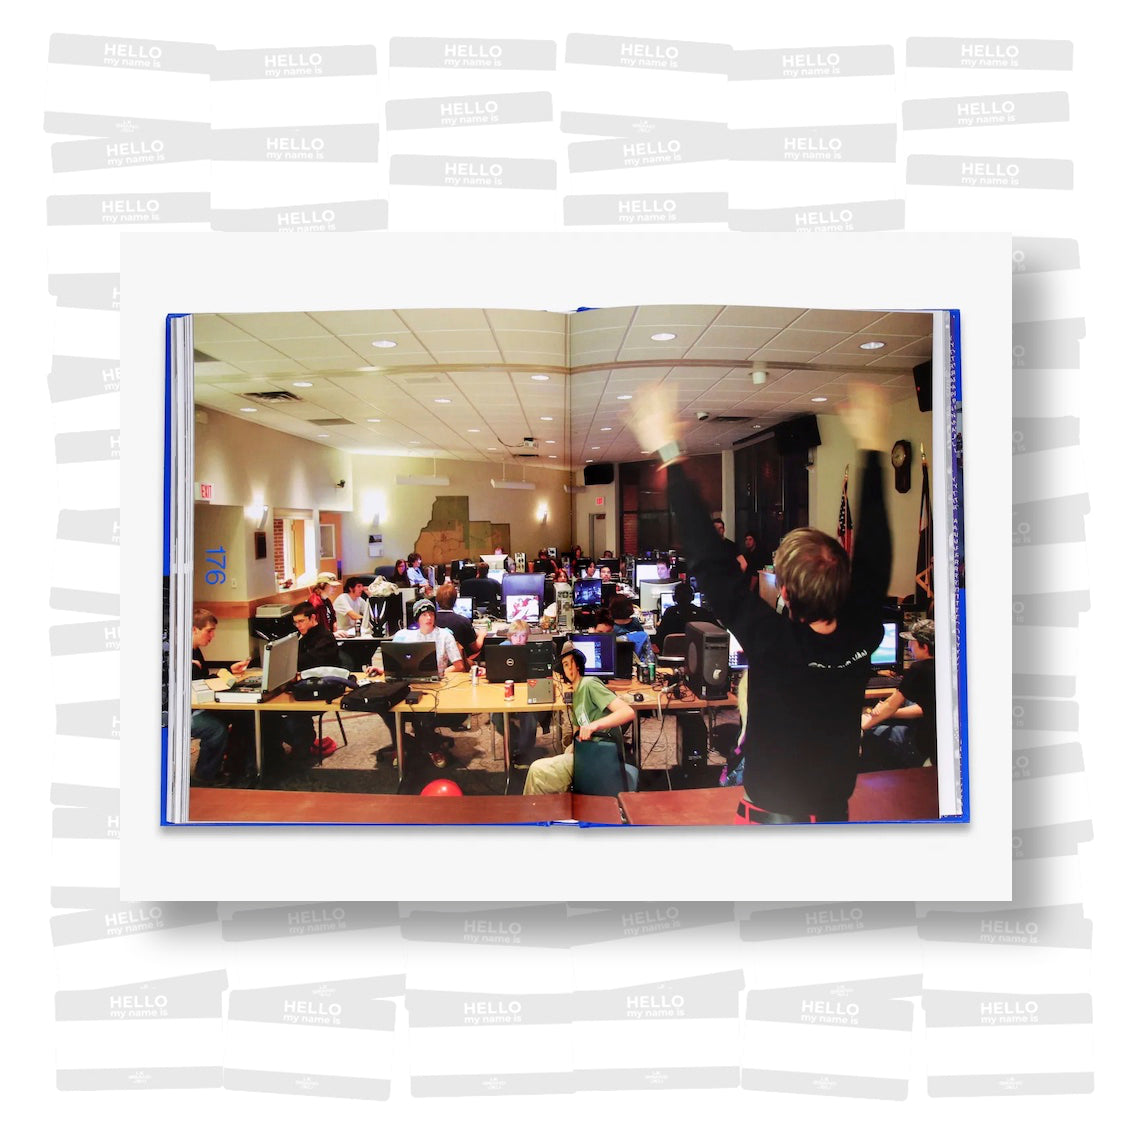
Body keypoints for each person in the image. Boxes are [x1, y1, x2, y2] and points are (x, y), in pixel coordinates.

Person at [654, 382, 893, 823]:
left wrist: (670, 450)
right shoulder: (863, 633)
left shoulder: (773, 642)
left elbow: (709, 559)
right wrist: (873, 446)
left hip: (772, 825)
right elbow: (876, 556)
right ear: (844, 583)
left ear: (783, 592)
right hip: (834, 818)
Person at [523, 641, 635, 795]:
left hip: (603, 756)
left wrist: (594, 725)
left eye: (572, 663)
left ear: (578, 665)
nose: (569, 668)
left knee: (537, 771)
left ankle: (534, 810)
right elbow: (576, 735)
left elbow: (627, 712)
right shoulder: (576, 696)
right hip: (589, 753)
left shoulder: (589, 683)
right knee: (564, 755)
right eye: (565, 664)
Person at [365, 597, 463, 767]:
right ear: (417, 617)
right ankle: (402, 744)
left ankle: (431, 747)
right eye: (424, 614)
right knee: (386, 707)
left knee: (424, 712)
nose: (429, 618)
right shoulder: (403, 635)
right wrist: (382, 670)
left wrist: (440, 674)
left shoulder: (444, 635)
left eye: (431, 614)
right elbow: (394, 663)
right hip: (406, 683)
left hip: (434, 686)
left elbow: (459, 666)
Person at [861, 619, 937, 768]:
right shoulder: (946, 664)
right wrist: (889, 711)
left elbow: (890, 705)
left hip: (921, 745)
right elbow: (926, 707)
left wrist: (863, 723)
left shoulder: (919, 669)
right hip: (935, 740)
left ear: (924, 647)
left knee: (874, 731)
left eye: (912, 642)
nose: (908, 646)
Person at [190, 609, 249, 786]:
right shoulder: (177, 656)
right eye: (209, 631)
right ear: (194, 630)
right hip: (181, 712)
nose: (213, 636)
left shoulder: (195, 651)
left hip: (197, 703)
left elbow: (202, 681)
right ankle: (205, 775)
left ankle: (234, 762)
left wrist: (229, 671)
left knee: (241, 715)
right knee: (216, 729)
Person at [491, 620, 539, 765]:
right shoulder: (502, 649)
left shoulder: (531, 651)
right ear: (510, 636)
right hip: (505, 691)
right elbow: (494, 670)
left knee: (530, 717)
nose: (518, 639)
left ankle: (523, 751)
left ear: (527, 637)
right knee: (496, 718)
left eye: (522, 636)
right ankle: (517, 742)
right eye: (515, 635)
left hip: (526, 691)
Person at [434, 581, 485, 665]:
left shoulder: (430, 621)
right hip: (459, 663)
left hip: (436, 662)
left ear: (437, 600)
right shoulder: (463, 621)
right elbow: (475, 648)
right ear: (455, 600)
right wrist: (482, 635)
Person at [609, 595, 650, 660]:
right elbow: (643, 639)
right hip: (636, 659)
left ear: (611, 609)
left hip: (615, 659)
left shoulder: (610, 626)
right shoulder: (635, 622)